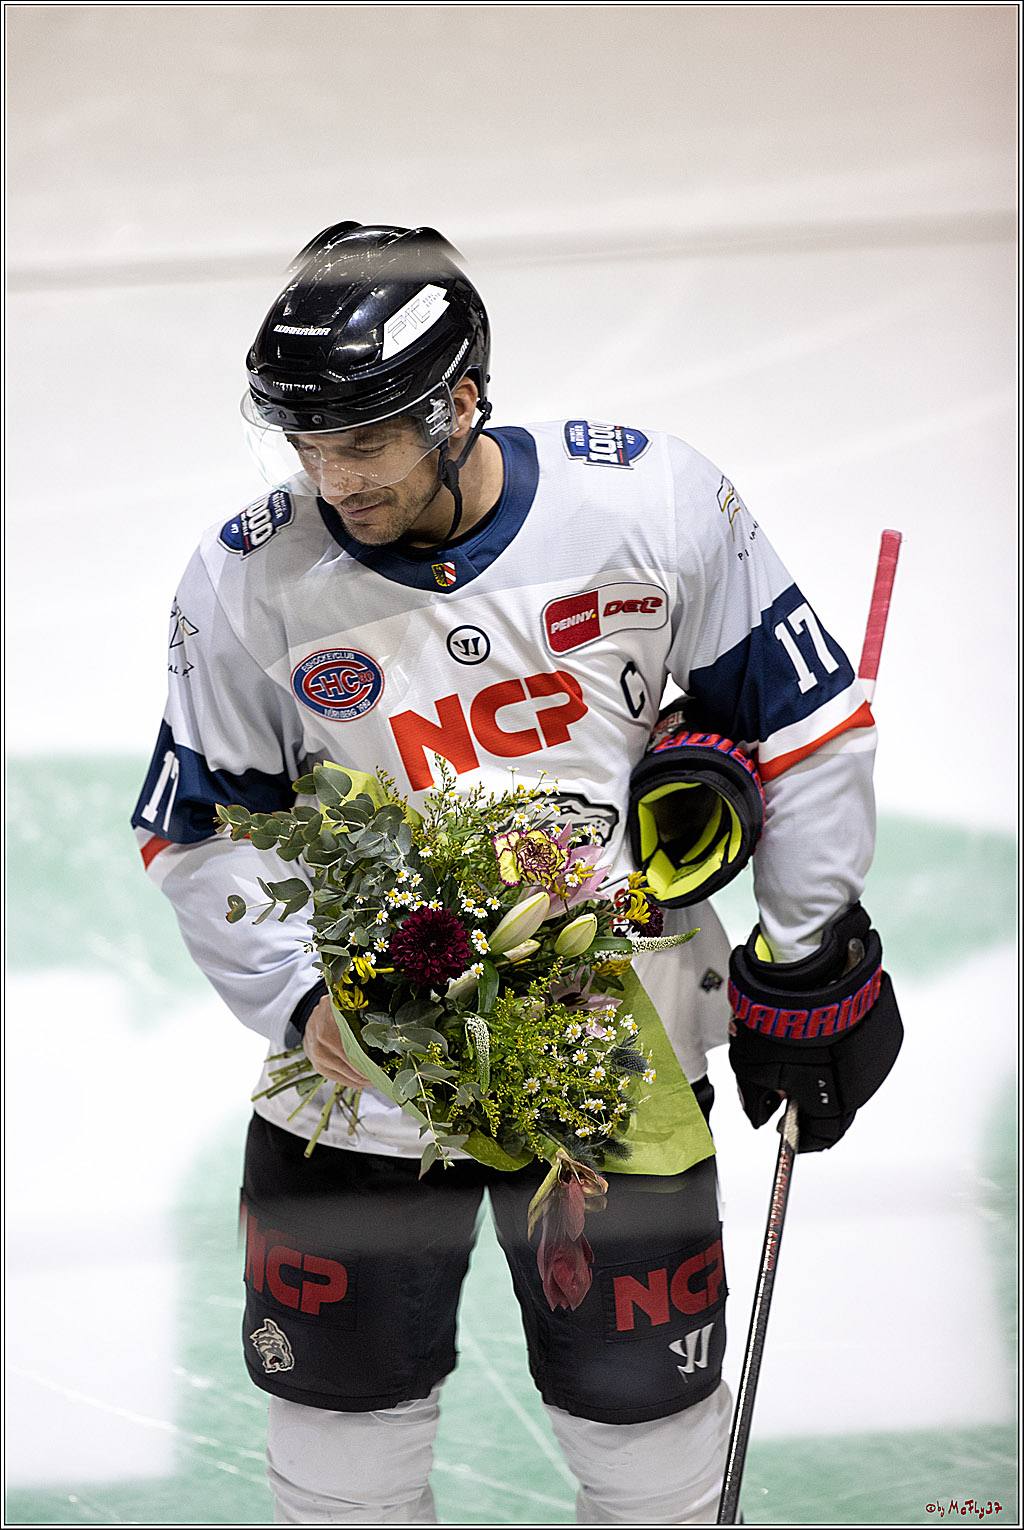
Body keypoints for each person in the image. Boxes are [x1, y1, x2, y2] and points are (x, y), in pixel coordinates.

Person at [132, 221, 902, 1524]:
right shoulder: (247, 576)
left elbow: (803, 727)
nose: (335, 477)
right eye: (309, 443)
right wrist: (301, 1007)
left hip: (617, 1061)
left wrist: (806, 948)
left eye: (365, 440)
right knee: (339, 1484)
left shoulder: (650, 503)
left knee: (656, 1469)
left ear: (463, 403)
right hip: (367, 1089)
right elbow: (198, 824)